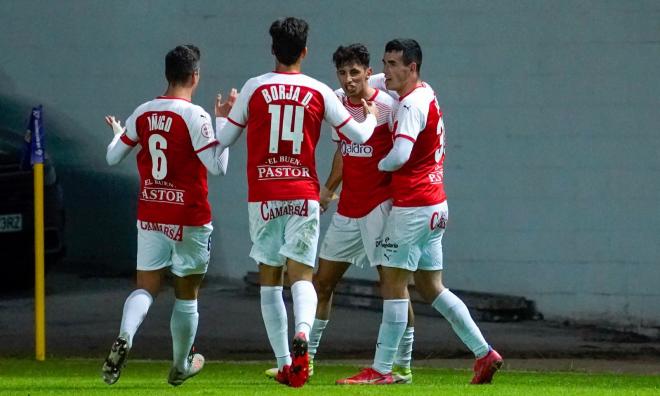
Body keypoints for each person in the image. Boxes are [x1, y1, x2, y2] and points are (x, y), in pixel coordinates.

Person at [214, 17, 379, 388]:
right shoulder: (319, 91)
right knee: (302, 275)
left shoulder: (255, 89)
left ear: (273, 50)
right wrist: (369, 115)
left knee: (270, 281)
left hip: (265, 196)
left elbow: (222, 142)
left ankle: (287, 362)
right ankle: (303, 335)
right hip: (304, 194)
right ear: (305, 51)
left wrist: (222, 116)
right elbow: (360, 136)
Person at [336, 39, 503, 385]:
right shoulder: (425, 92)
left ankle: (382, 370)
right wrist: (363, 81)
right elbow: (378, 83)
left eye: (395, 64)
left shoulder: (410, 105)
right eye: (385, 63)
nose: (387, 70)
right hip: (435, 207)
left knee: (394, 285)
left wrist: (372, 164)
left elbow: (399, 156)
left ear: (412, 67)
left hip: (412, 207)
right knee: (432, 286)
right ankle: (484, 352)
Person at [264, 43, 416, 383]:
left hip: (380, 206)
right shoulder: (335, 100)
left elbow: (404, 153)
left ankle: (402, 364)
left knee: (392, 284)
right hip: (348, 209)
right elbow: (343, 151)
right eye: (342, 73)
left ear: (366, 71)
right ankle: (308, 360)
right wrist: (329, 190)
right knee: (322, 281)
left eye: (355, 72)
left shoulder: (388, 106)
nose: (348, 79)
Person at [101, 44, 233, 387]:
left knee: (146, 287)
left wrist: (119, 135)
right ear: (195, 76)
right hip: (189, 215)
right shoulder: (196, 116)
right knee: (187, 294)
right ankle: (179, 366)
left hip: (151, 213)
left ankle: (126, 336)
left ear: (167, 74)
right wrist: (224, 123)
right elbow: (218, 167)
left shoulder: (143, 112)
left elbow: (114, 158)